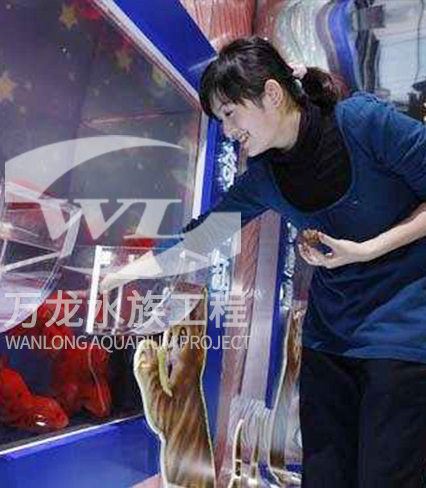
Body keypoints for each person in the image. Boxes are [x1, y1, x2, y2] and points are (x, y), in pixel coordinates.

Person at [107, 35, 426, 487]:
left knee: (387, 474)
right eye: (220, 119)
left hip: (403, 326)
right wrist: (125, 271)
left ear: (272, 93)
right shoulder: (264, 179)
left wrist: (369, 249)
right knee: (326, 475)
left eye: (230, 113)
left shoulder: (361, 122)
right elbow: (202, 236)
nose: (228, 129)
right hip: (330, 336)